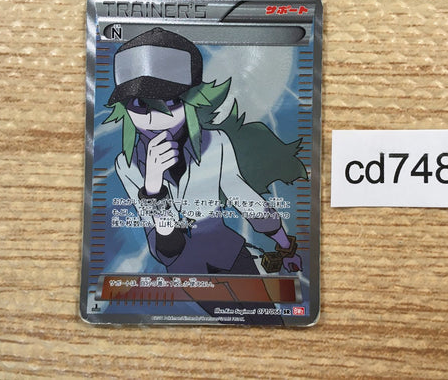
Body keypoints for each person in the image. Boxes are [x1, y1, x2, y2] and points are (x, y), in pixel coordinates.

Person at [104, 27, 306, 283]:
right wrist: (153, 188)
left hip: (230, 253)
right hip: (184, 270)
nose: (155, 118)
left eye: (171, 102)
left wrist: (285, 246)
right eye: (140, 105)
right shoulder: (127, 166)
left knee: (265, 306)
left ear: (191, 101)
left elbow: (244, 197)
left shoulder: (215, 142)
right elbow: (167, 248)